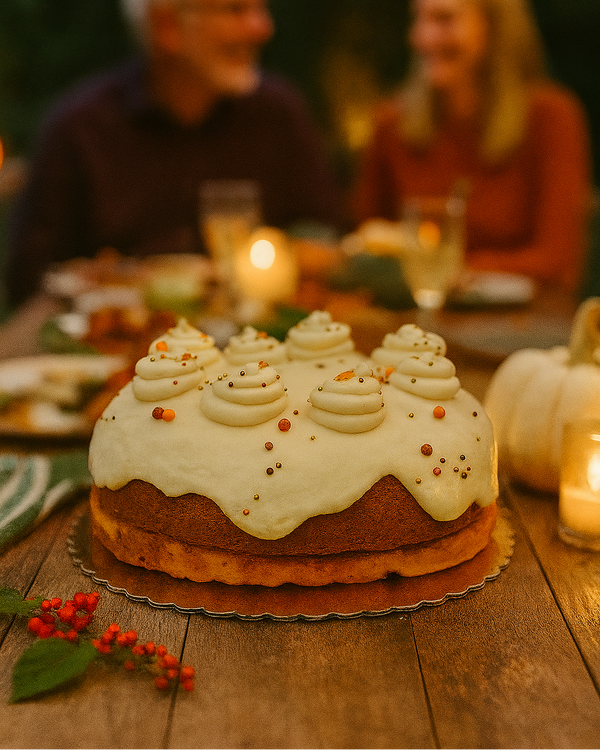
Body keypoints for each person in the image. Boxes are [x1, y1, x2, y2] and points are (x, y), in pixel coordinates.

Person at [4, 0, 344, 307]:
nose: (262, 28)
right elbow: (28, 278)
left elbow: (326, 236)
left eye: (259, 9)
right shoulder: (80, 129)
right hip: (117, 349)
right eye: (235, 10)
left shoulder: (279, 115)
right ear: (167, 27)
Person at [352, 0, 592, 293]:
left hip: (525, 322)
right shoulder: (391, 123)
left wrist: (449, 269)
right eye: (419, 20)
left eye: (444, 20)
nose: (422, 37)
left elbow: (557, 260)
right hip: (413, 317)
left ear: (495, 28)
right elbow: (365, 240)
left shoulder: (551, 117)